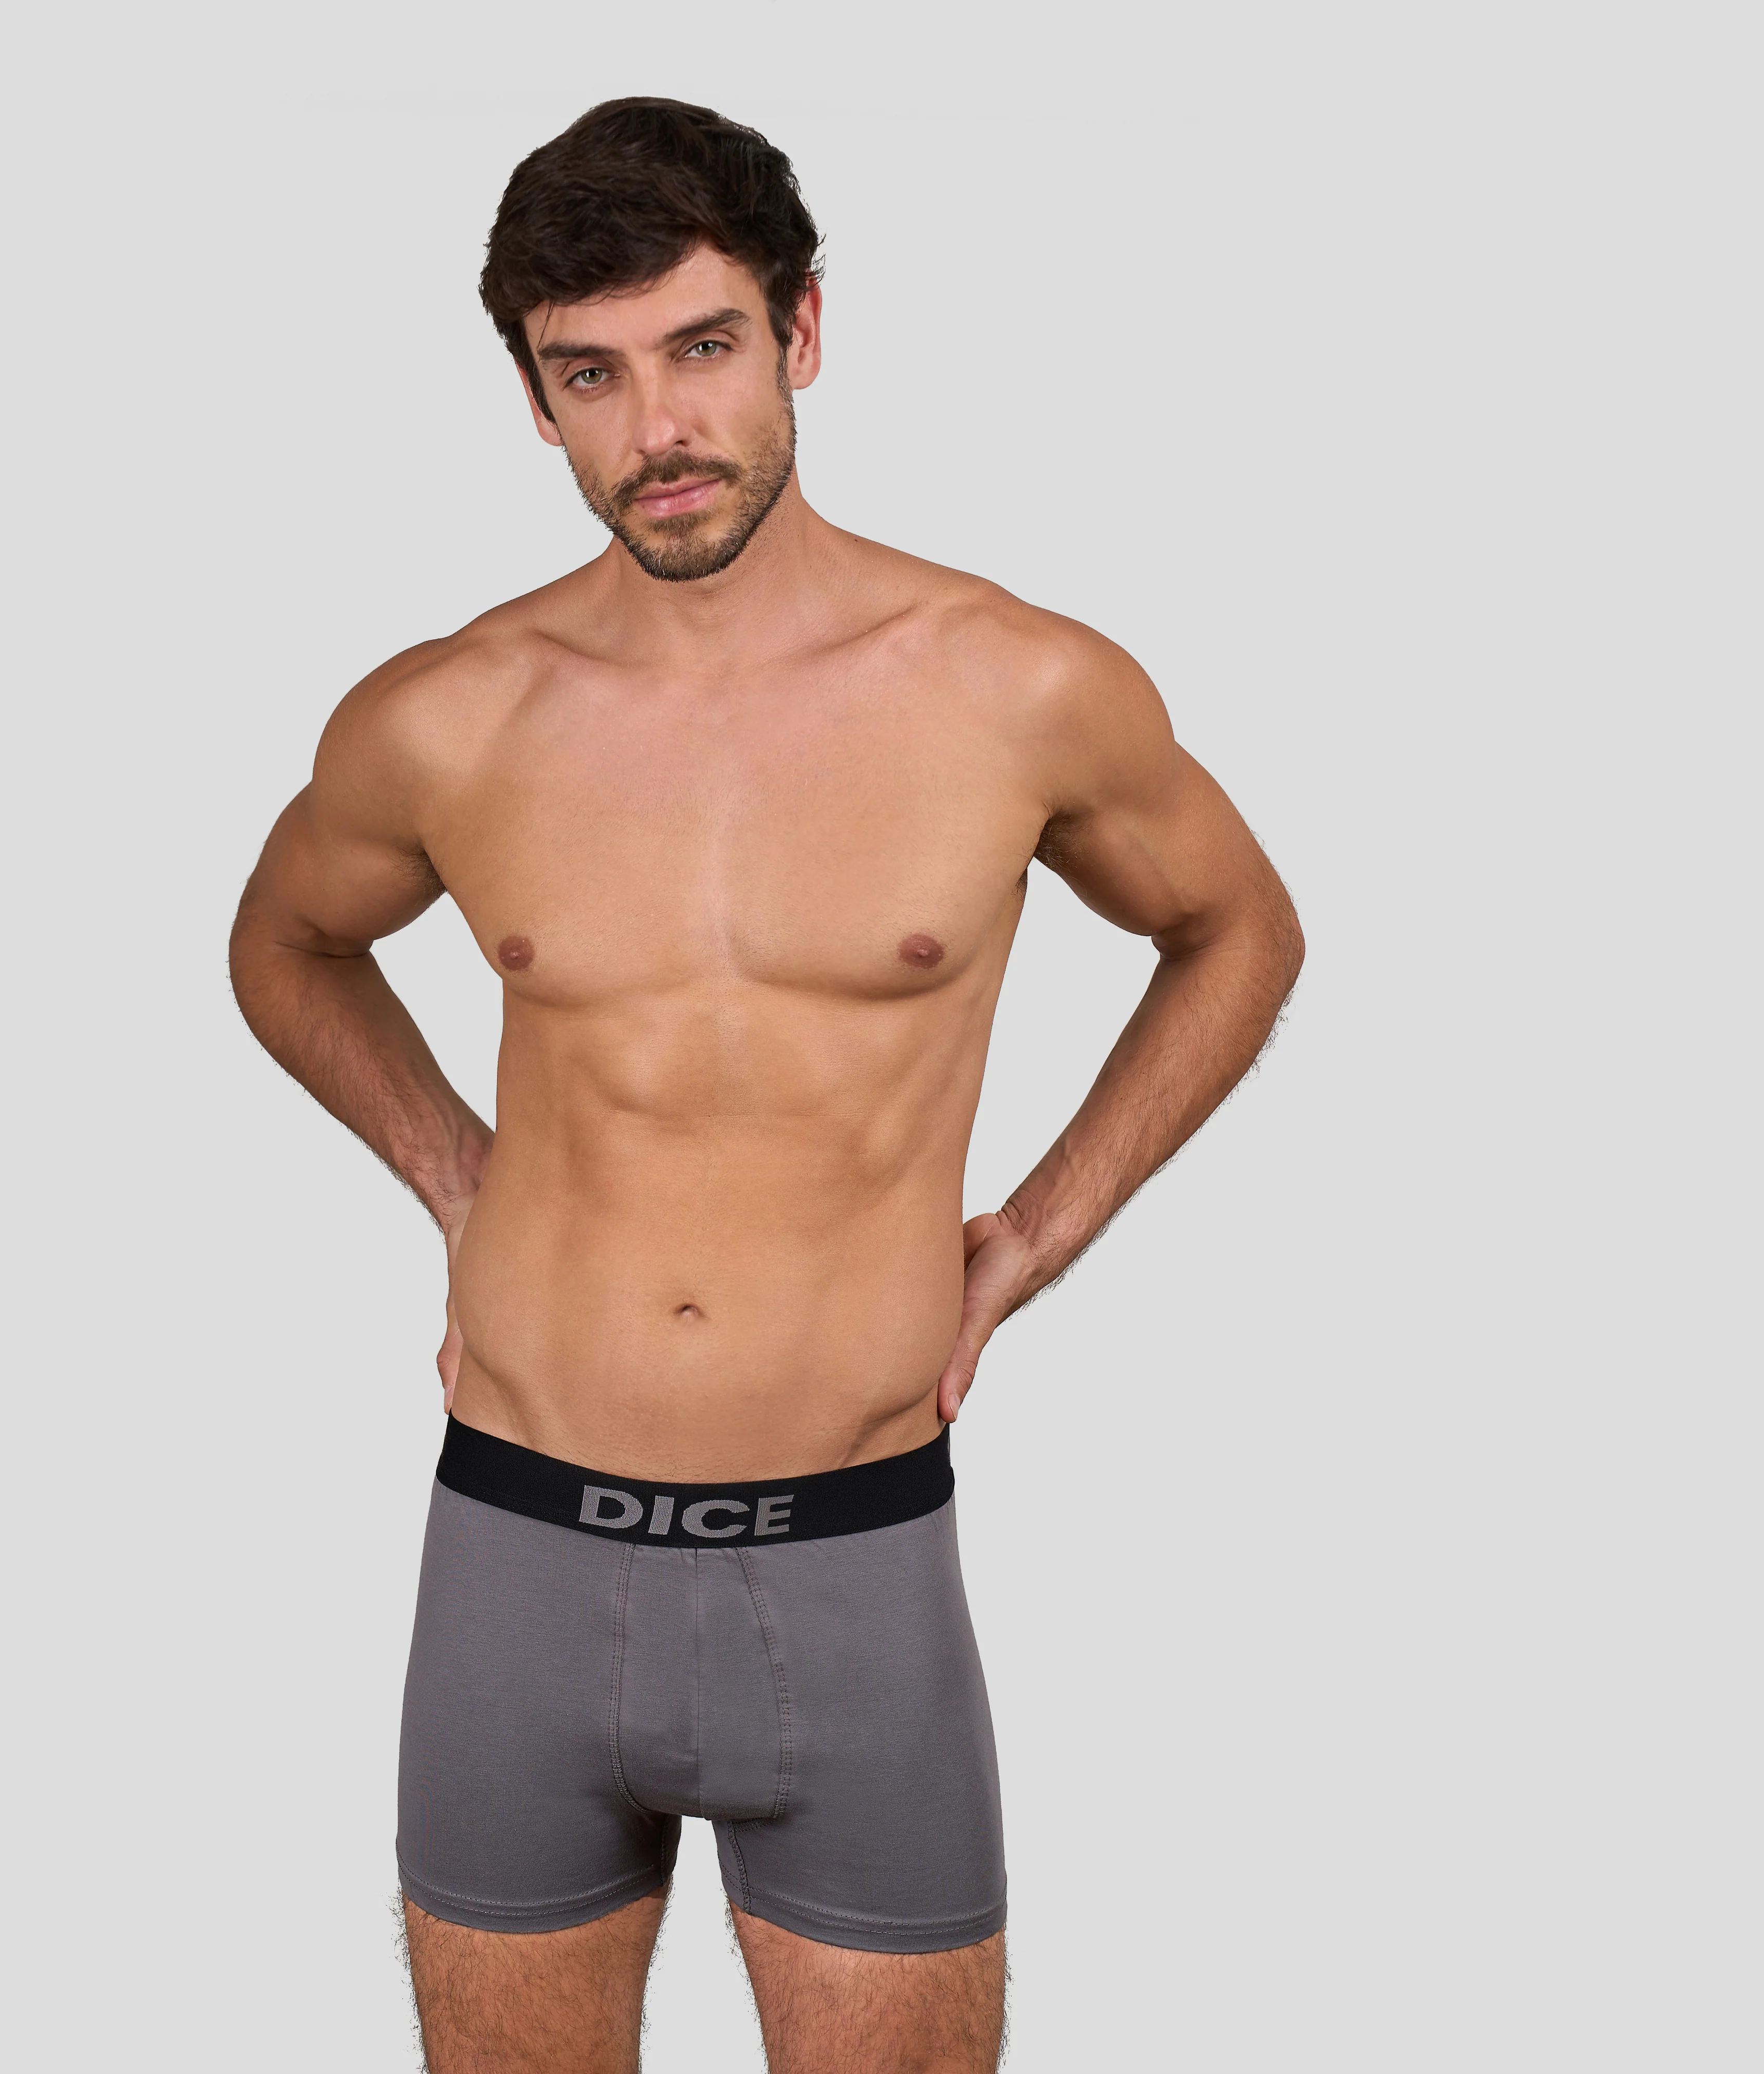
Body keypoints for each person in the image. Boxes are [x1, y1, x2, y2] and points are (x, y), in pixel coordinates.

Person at [229, 96, 1303, 2074]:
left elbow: (1238, 928)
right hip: (516, 1558)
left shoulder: (1016, 686)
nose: (659, 428)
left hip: (855, 1563)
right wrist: (462, 1182)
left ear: (802, 331)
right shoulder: (449, 717)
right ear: (534, 401)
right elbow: (282, 945)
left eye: (703, 347)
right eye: (591, 375)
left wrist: (1030, 1243)